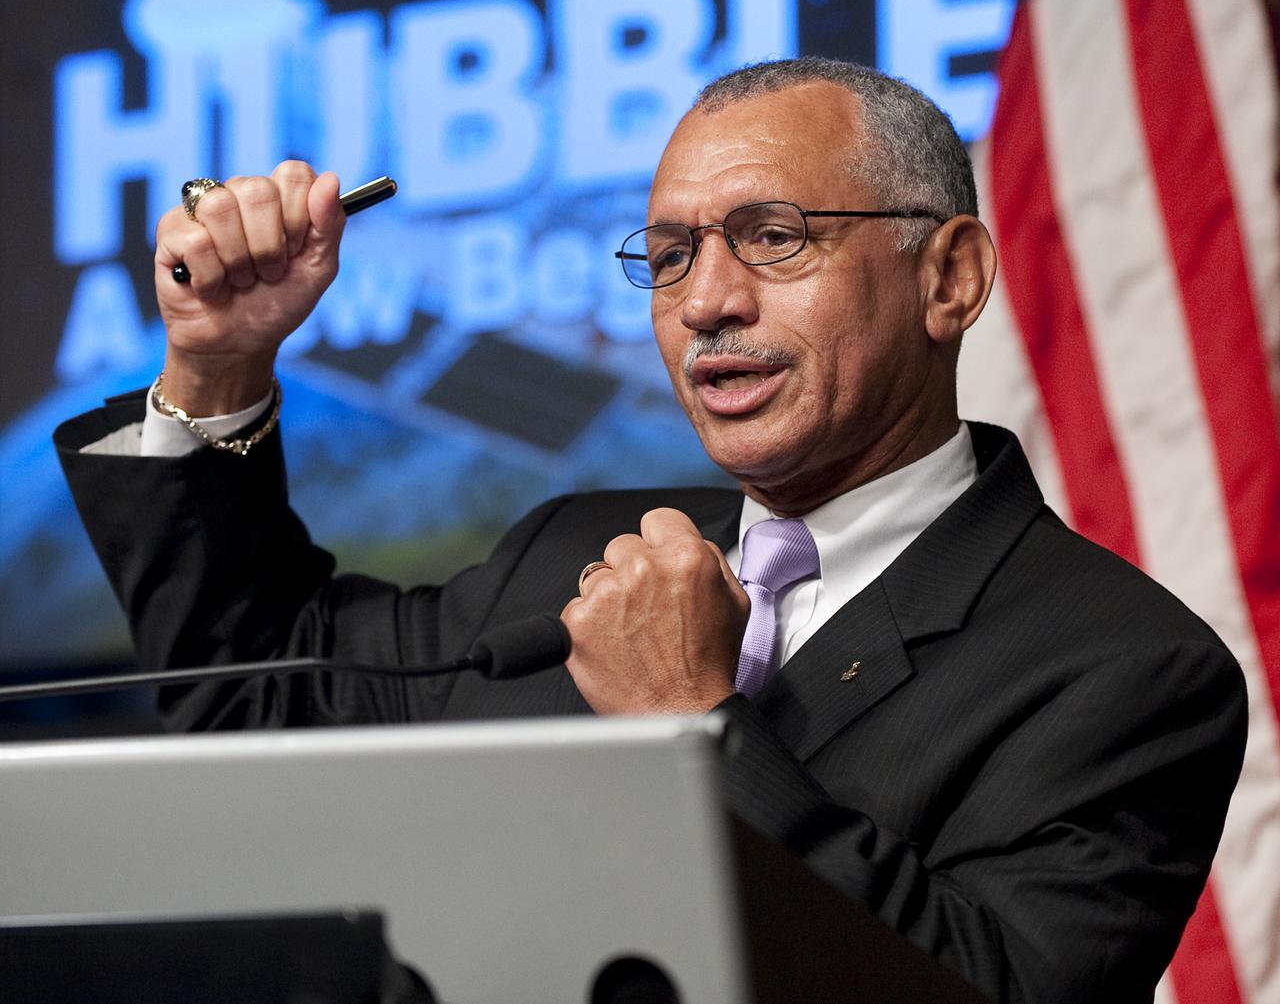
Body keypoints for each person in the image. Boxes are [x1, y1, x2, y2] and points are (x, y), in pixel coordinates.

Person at [55, 59, 1247, 1003]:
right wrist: (214, 367)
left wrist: (697, 728)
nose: (706, 303)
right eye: (669, 257)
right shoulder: (567, 552)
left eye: (774, 236)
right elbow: (264, 697)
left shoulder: (1121, 670)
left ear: (948, 278)